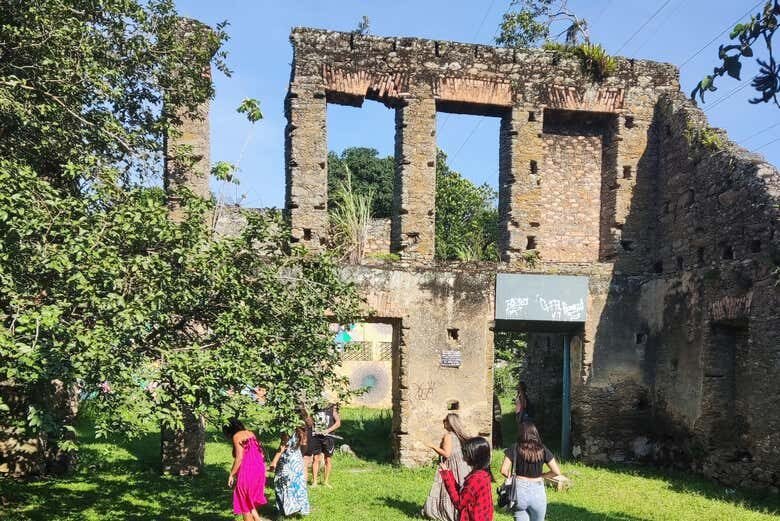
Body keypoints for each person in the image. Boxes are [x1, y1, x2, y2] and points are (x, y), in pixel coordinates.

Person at [500, 421, 563, 521]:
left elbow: (503, 470)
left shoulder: (514, 448)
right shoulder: (542, 449)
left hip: (519, 492)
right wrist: (542, 475)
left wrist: (511, 477)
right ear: (535, 433)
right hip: (538, 491)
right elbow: (556, 471)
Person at [422, 413, 472, 521]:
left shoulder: (448, 436)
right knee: (461, 490)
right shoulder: (461, 435)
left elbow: (447, 453)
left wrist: (432, 446)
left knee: (449, 488)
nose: (443, 422)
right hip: (463, 466)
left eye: (445, 420)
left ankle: (446, 511)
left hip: (451, 466)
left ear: (449, 423)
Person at [439, 436, 494, 521]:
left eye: (466, 453)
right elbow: (463, 493)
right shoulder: (483, 474)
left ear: (475, 455)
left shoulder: (477, 479)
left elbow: (459, 503)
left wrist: (446, 477)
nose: (464, 456)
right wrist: (449, 474)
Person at [223, 418, 267, 521]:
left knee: (244, 502)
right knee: (248, 499)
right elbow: (261, 453)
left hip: (248, 471)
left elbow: (239, 458)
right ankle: (257, 519)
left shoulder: (237, 436)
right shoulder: (250, 433)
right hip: (259, 469)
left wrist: (232, 474)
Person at [270, 426, 311, 517]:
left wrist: (274, 461)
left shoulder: (287, 430)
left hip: (287, 460)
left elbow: (282, 446)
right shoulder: (302, 429)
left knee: (281, 483)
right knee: (297, 484)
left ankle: (286, 509)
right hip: (297, 459)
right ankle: (298, 507)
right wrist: (298, 455)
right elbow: (304, 445)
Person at [310, 402, 341, 487]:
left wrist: (328, 430)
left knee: (328, 459)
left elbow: (338, 423)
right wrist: (313, 429)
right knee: (315, 459)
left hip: (328, 438)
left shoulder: (331, 407)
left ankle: (326, 482)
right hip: (316, 437)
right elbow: (311, 420)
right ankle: (314, 482)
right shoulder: (315, 407)